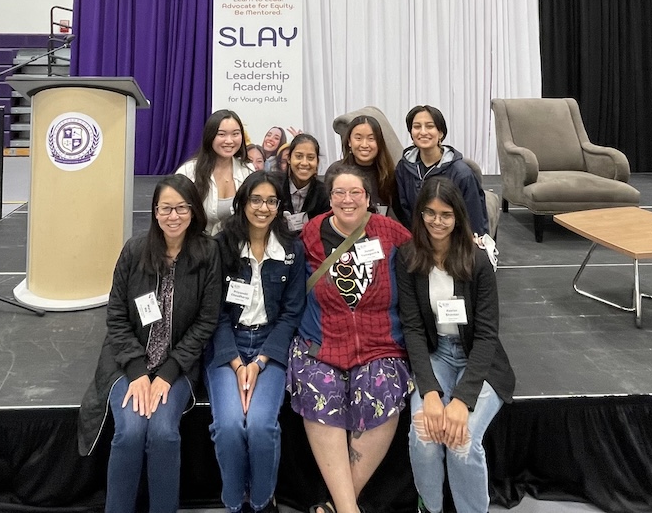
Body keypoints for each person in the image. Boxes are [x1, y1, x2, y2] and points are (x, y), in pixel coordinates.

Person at [77, 174, 222, 513]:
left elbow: (206, 322)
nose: (174, 216)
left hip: (178, 366)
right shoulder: (135, 249)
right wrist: (138, 371)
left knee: (163, 434)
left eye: (181, 208)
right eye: (165, 208)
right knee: (129, 433)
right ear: (155, 212)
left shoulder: (208, 253)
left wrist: (168, 372)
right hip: (127, 363)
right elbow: (115, 315)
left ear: (193, 211)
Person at [287, 164, 414, 513]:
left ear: (368, 198)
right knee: (320, 389)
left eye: (355, 192)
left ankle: (338, 507)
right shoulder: (311, 234)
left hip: (380, 344)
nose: (347, 199)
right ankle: (348, 509)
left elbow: (426, 261)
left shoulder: (391, 233)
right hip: (321, 343)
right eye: (339, 193)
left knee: (382, 389)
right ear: (329, 199)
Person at [395, 177, 515, 513]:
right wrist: (430, 393)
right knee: (424, 435)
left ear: (458, 217)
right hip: (436, 356)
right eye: (429, 213)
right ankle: (429, 507)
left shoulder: (477, 262)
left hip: (480, 360)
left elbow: (488, 335)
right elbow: (413, 329)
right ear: (419, 215)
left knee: (462, 443)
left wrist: (462, 399)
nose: (437, 221)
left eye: (445, 214)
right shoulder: (408, 258)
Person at [205, 171, 306, 513]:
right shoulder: (220, 247)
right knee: (230, 426)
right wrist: (236, 364)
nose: (263, 208)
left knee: (262, 426)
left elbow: (291, 314)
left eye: (271, 201)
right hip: (228, 345)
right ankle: (235, 503)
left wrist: (260, 362)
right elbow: (213, 313)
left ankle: (262, 501)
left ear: (280, 206)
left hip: (270, 347)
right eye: (256, 200)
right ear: (242, 203)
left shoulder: (293, 249)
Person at [395, 105, 488, 235]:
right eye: (417, 127)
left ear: (441, 133)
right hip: (417, 240)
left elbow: (474, 219)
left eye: (429, 126)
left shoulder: (461, 173)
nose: (423, 132)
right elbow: (403, 211)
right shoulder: (403, 168)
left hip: (453, 241)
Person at [176, 110, 254, 235]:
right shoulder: (188, 171)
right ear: (210, 136)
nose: (229, 141)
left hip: (235, 245)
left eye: (235, 134)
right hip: (197, 246)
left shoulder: (248, 170)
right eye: (222, 134)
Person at [325, 115, 402, 221]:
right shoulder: (336, 172)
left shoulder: (388, 173)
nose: (364, 144)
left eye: (371, 138)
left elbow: (398, 214)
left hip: (381, 232)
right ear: (349, 141)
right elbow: (326, 213)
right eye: (358, 138)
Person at [278, 133, 330, 231]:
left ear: (317, 162)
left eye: (310, 157)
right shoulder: (275, 186)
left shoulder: (325, 194)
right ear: (289, 159)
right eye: (299, 156)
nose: (304, 163)